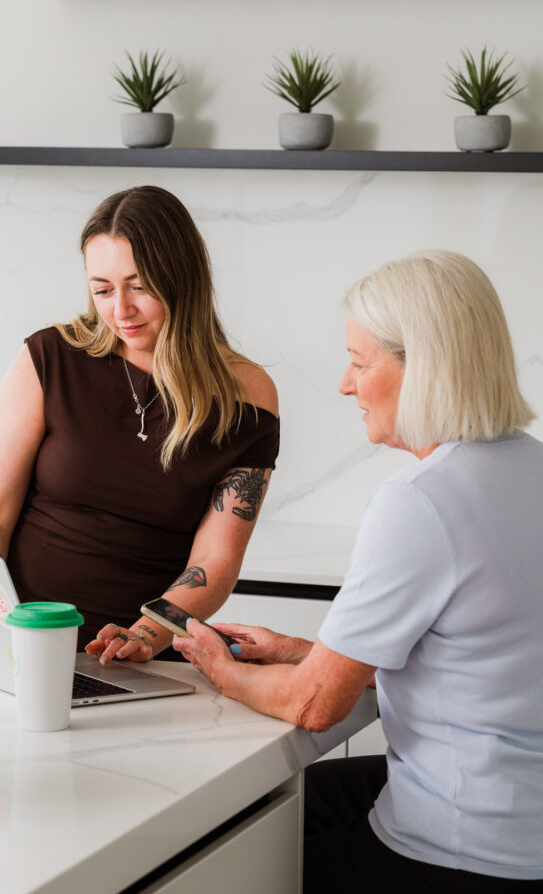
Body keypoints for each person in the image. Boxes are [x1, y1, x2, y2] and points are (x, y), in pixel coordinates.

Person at [174, 250, 543, 890]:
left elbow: (315, 705)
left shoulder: (421, 502)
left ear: (424, 367)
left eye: (359, 362)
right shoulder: (530, 467)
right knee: (291, 800)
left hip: (465, 847)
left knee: (225, 861)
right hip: (526, 819)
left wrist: (219, 668)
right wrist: (303, 652)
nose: (345, 385)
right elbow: (477, 660)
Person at [0, 185, 278, 664]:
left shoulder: (246, 396)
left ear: (183, 278)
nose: (120, 310)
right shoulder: (49, 358)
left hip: (146, 660)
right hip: (19, 645)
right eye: (103, 289)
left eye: (140, 286)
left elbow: (215, 560)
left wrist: (145, 635)